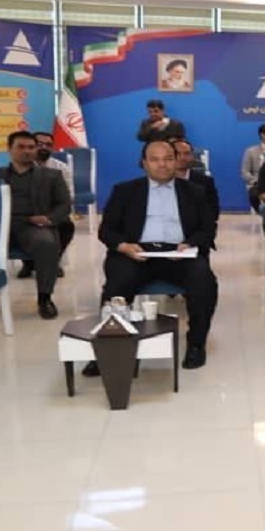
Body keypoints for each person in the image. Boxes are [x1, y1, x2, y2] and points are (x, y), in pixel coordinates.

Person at [96, 140, 218, 370]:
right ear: (144, 163)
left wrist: (190, 244)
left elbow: (208, 228)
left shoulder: (194, 191)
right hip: (136, 252)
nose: (162, 164)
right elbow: (107, 230)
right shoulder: (125, 191)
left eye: (168, 158)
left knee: (204, 281)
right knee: (118, 283)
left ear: (176, 161)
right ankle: (108, 346)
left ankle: (196, 344)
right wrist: (124, 246)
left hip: (178, 253)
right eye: (155, 159)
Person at [0, 131, 71, 321]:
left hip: (32, 225)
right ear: (9, 149)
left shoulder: (52, 176)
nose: (27, 151)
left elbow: (64, 204)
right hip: (0, 226)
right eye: (21, 147)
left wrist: (48, 218)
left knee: (46, 243)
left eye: (31, 147)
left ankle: (45, 299)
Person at [19, 131, 75, 279]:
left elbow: (69, 197)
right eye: (39, 144)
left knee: (66, 225)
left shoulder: (61, 168)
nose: (44, 147)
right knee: (17, 224)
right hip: (27, 213)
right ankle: (28, 263)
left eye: (48, 145)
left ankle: (53, 262)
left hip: (52, 212)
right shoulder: (20, 167)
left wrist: (50, 216)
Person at [170, 138, 220, 230]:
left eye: (186, 153)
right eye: (177, 153)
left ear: (192, 156)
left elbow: (213, 213)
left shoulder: (205, 182)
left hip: (196, 232)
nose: (182, 157)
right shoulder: (159, 181)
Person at [242, 123, 265, 210]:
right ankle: (262, 212)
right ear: (262, 135)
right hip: (258, 183)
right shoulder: (251, 151)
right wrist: (257, 181)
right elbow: (245, 172)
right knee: (254, 194)